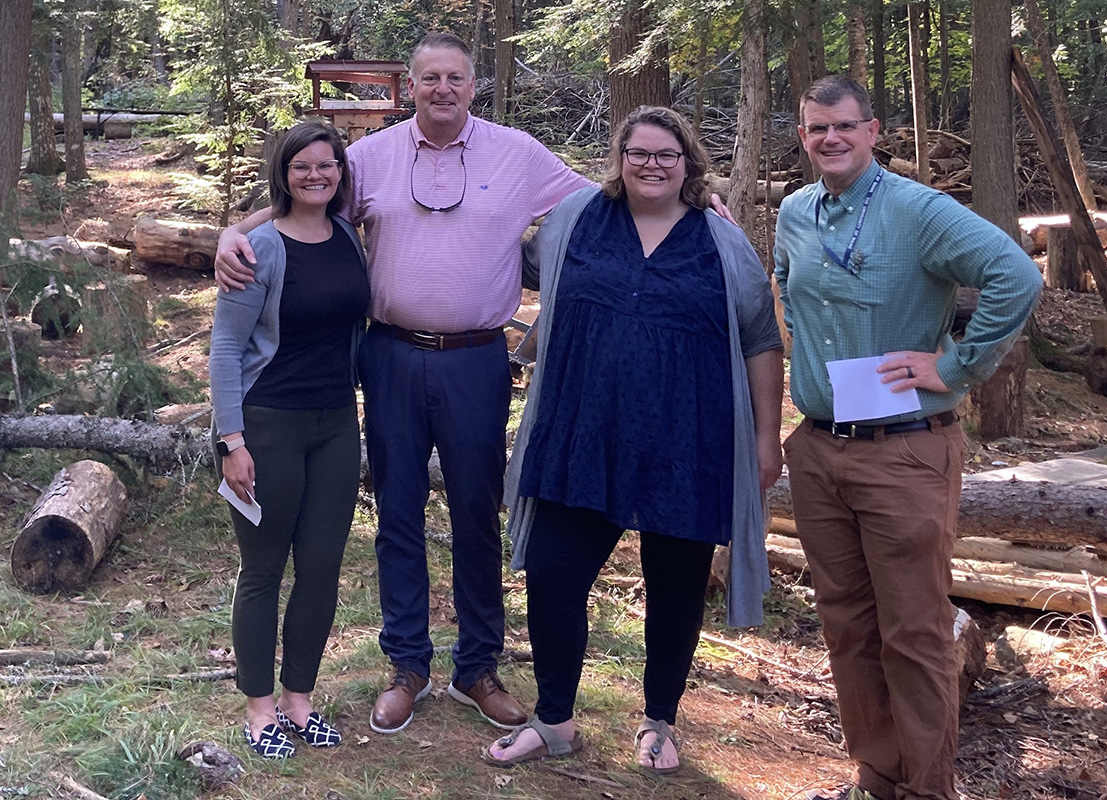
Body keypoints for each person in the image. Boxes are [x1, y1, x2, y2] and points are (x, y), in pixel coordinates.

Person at [214, 32, 598, 735]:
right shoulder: (370, 158)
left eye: (455, 77)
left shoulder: (517, 154)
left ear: (473, 86)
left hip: (480, 358)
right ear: (409, 87)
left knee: (477, 513)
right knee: (397, 509)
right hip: (387, 355)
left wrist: (700, 201)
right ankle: (407, 664)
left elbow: (603, 200)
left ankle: (476, 667)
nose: (442, 89)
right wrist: (230, 233)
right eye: (429, 79)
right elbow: (306, 192)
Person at [483, 106, 784, 775]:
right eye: (639, 153)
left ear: (688, 165)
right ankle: (554, 719)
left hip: (688, 440)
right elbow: (505, 247)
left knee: (674, 587)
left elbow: (762, 338)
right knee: (556, 577)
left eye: (666, 155)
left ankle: (659, 722)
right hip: (582, 433)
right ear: (619, 158)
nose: (651, 165)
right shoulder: (576, 220)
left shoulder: (721, 241)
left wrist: (768, 438)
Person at [773, 76, 1043, 800]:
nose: (829, 139)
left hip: (904, 452)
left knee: (915, 634)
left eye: (843, 126)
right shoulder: (796, 212)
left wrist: (955, 364)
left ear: (873, 130)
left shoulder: (917, 209)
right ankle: (876, 778)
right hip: (821, 449)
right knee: (847, 626)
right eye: (814, 129)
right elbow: (786, 296)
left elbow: (1015, 274)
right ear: (802, 136)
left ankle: (928, 789)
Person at [209, 121, 370, 758]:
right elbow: (224, 348)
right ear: (284, 173)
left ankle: (300, 699)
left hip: (335, 424)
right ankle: (260, 709)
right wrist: (231, 440)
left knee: (323, 567)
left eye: (326, 166)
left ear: (340, 174)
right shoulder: (259, 248)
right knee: (263, 570)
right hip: (267, 424)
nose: (315, 176)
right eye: (302, 166)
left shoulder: (350, 238)